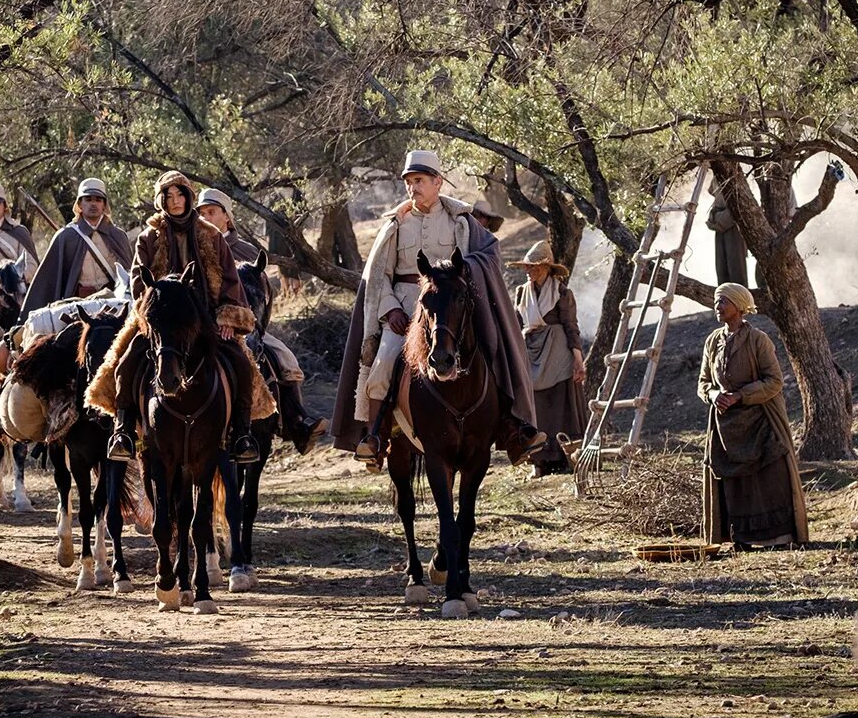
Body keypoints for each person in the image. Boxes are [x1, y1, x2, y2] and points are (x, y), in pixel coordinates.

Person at [331, 150, 545, 467]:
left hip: (454, 309)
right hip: (405, 303)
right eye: (409, 181)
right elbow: (379, 277)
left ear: (437, 182)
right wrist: (390, 310)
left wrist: (467, 269)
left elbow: (490, 252)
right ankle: (376, 438)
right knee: (382, 365)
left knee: (493, 349)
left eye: (419, 180)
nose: (413, 187)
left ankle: (513, 430)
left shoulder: (462, 220)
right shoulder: (394, 225)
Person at [93, 171, 263, 464]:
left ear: (188, 197)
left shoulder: (211, 234)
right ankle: (123, 431)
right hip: (160, 319)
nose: (175, 201)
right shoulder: (147, 238)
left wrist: (227, 318)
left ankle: (241, 434)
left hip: (206, 319)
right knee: (125, 363)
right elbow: (137, 280)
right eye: (168, 196)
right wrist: (150, 310)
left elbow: (230, 280)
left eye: (180, 194)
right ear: (161, 200)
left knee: (241, 362)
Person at [196, 188, 330, 447]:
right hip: (206, 327)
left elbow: (264, 296)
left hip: (247, 328)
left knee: (286, 360)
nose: (205, 217)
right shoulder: (194, 248)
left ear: (227, 216)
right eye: (201, 213)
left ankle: (296, 422)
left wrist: (248, 326)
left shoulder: (246, 251)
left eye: (211, 212)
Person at [697, 283, 809, 549]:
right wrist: (714, 396)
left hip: (761, 421)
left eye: (723, 301)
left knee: (769, 477)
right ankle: (741, 537)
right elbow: (703, 382)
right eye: (716, 302)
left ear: (739, 306)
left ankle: (778, 537)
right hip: (726, 426)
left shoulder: (759, 340)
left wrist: (741, 395)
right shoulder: (713, 341)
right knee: (734, 482)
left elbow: (774, 381)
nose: (718, 307)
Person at [508, 241, 581, 476]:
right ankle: (538, 461)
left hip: (557, 353)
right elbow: (516, 324)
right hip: (531, 350)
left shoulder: (562, 293)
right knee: (534, 405)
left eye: (535, 268)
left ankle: (567, 457)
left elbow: (571, 326)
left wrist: (578, 359)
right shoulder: (522, 292)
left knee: (559, 403)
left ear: (547, 268)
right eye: (527, 268)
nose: (530, 272)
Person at [23, 178, 134, 311]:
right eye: (88, 199)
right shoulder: (66, 237)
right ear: (80, 204)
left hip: (114, 303)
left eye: (98, 200)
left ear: (104, 205)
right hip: (79, 304)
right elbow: (48, 281)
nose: (93, 204)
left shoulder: (118, 236)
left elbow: (130, 274)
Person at [705, 177, 749, 287]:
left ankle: (740, 302)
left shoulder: (735, 175)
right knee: (721, 269)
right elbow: (713, 192)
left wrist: (721, 218)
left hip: (735, 226)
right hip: (720, 225)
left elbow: (742, 202)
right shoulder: (716, 177)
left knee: (736, 271)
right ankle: (725, 300)